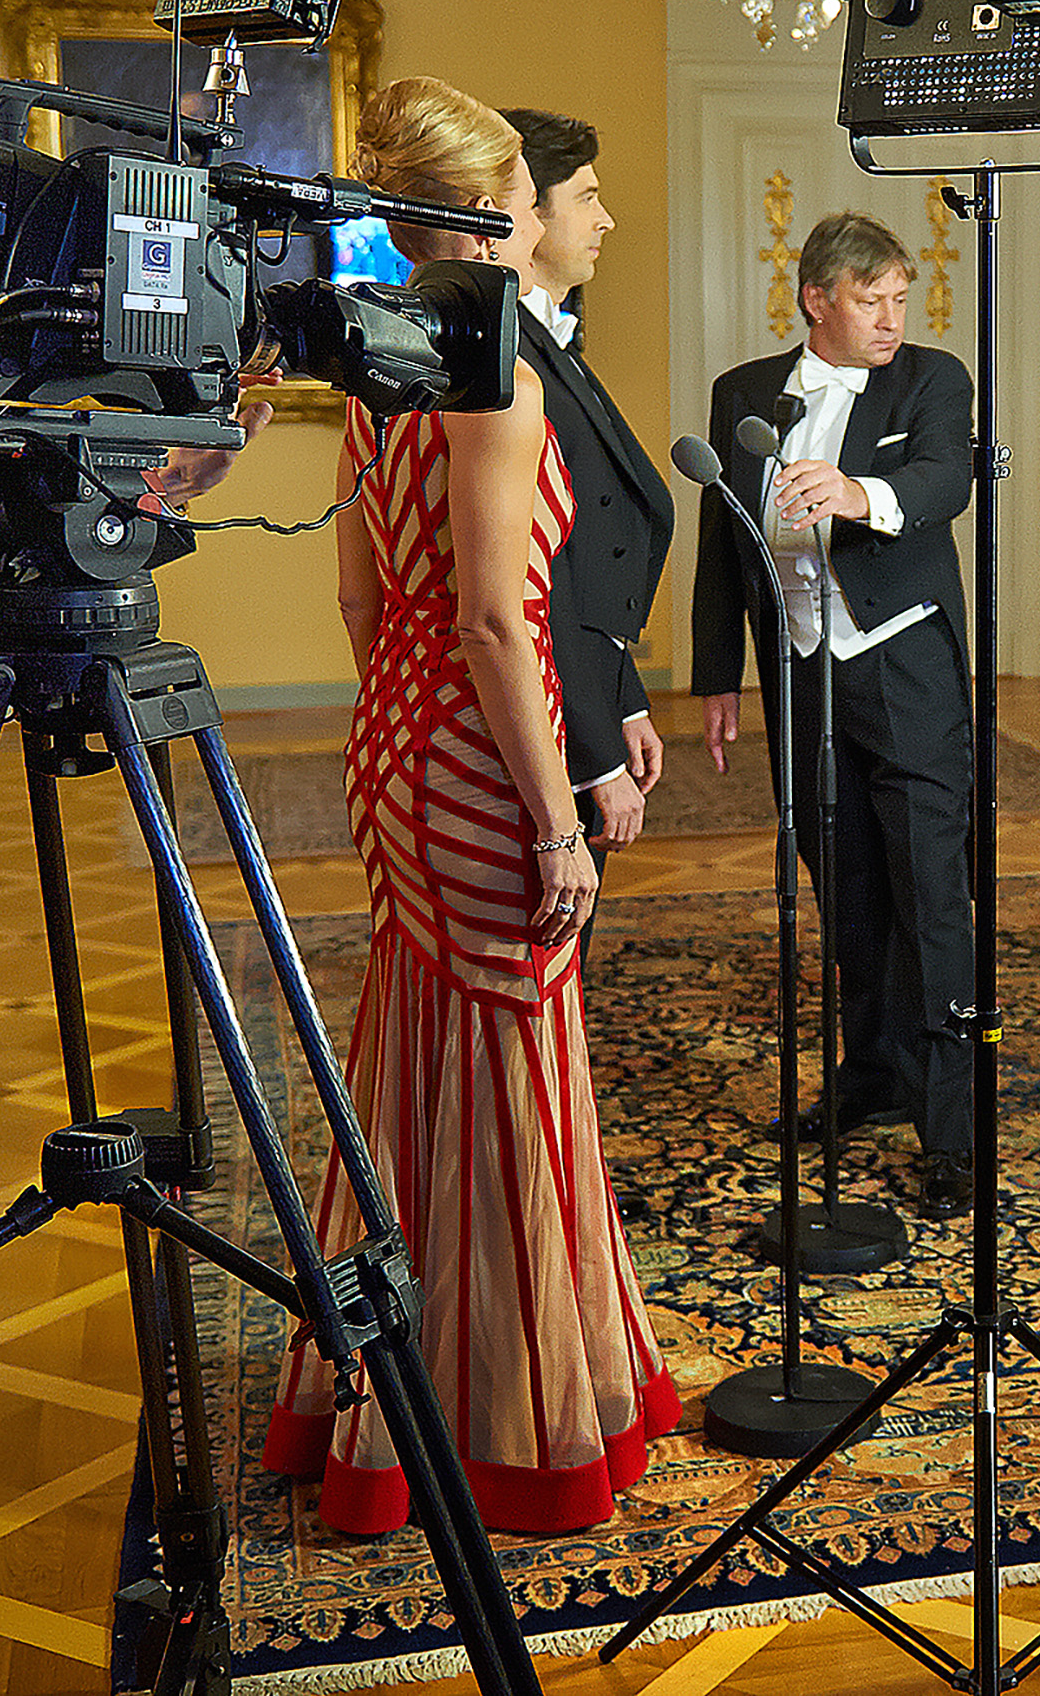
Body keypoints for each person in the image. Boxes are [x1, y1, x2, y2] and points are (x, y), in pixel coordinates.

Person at [261, 76, 675, 1536]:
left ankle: (392, 1388)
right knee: (505, 1071)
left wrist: (404, 718)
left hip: (399, 737)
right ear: (492, 209)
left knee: (415, 1059)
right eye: (520, 185)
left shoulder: (380, 362)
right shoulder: (491, 372)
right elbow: (499, 622)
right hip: (483, 755)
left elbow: (363, 597)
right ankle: (511, 1416)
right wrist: (557, 816)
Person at [691, 212, 978, 1216]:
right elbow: (722, 535)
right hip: (799, 671)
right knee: (845, 882)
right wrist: (718, 675)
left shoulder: (933, 380)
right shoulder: (743, 393)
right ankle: (873, 1073)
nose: (893, 318)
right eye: (870, 299)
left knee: (930, 894)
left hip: (904, 665)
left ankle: (952, 1131)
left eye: (900, 298)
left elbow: (945, 478)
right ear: (816, 299)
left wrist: (857, 490)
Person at [500, 109, 670, 857]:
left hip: (587, 692)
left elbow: (595, 546)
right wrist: (595, 756)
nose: (606, 219)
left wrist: (624, 699)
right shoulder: (509, 356)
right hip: (541, 715)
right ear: (529, 214)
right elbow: (546, 571)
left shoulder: (550, 338)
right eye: (587, 198)